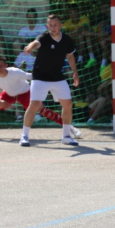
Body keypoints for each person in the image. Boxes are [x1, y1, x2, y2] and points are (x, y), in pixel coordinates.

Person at [0, 56, 82, 140]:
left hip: (25, 92)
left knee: (44, 111)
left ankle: (71, 129)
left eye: (1, 66)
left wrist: (48, 77)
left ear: (6, 66)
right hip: (8, 94)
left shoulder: (15, 72)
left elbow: (31, 76)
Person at [20, 14, 80, 147]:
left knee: (68, 104)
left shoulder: (67, 40)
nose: (53, 27)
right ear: (48, 26)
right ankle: (24, 136)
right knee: (34, 105)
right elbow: (36, 43)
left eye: (55, 25)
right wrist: (30, 47)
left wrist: (75, 72)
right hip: (40, 77)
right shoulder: (44, 37)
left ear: (61, 25)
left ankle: (66, 136)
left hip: (57, 77)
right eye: (50, 25)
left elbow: (70, 56)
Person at [62, 3, 97, 69]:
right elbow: (62, 33)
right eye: (71, 13)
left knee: (81, 35)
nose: (73, 15)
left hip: (88, 44)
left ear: (78, 12)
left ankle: (81, 59)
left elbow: (84, 27)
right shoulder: (67, 23)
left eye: (75, 12)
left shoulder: (84, 19)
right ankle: (79, 60)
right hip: (74, 44)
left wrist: (72, 33)